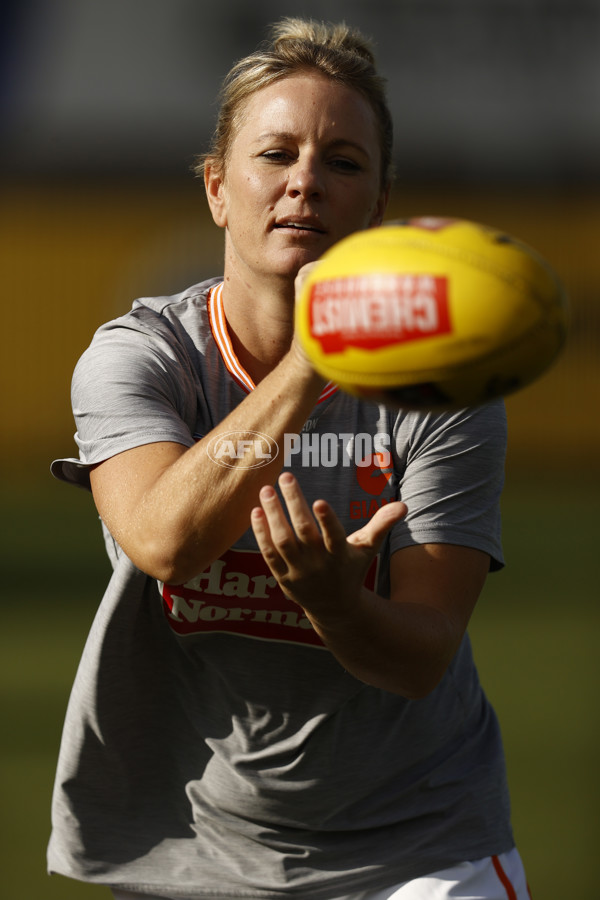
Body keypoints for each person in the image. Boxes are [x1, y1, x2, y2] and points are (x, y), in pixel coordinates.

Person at [48, 17, 531, 900]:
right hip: (188, 848)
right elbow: (163, 541)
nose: (306, 179)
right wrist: (315, 359)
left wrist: (337, 607)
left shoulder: (443, 386)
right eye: (276, 154)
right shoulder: (139, 356)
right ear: (217, 190)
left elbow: (422, 654)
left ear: (377, 207)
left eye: (343, 162)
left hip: (420, 847)